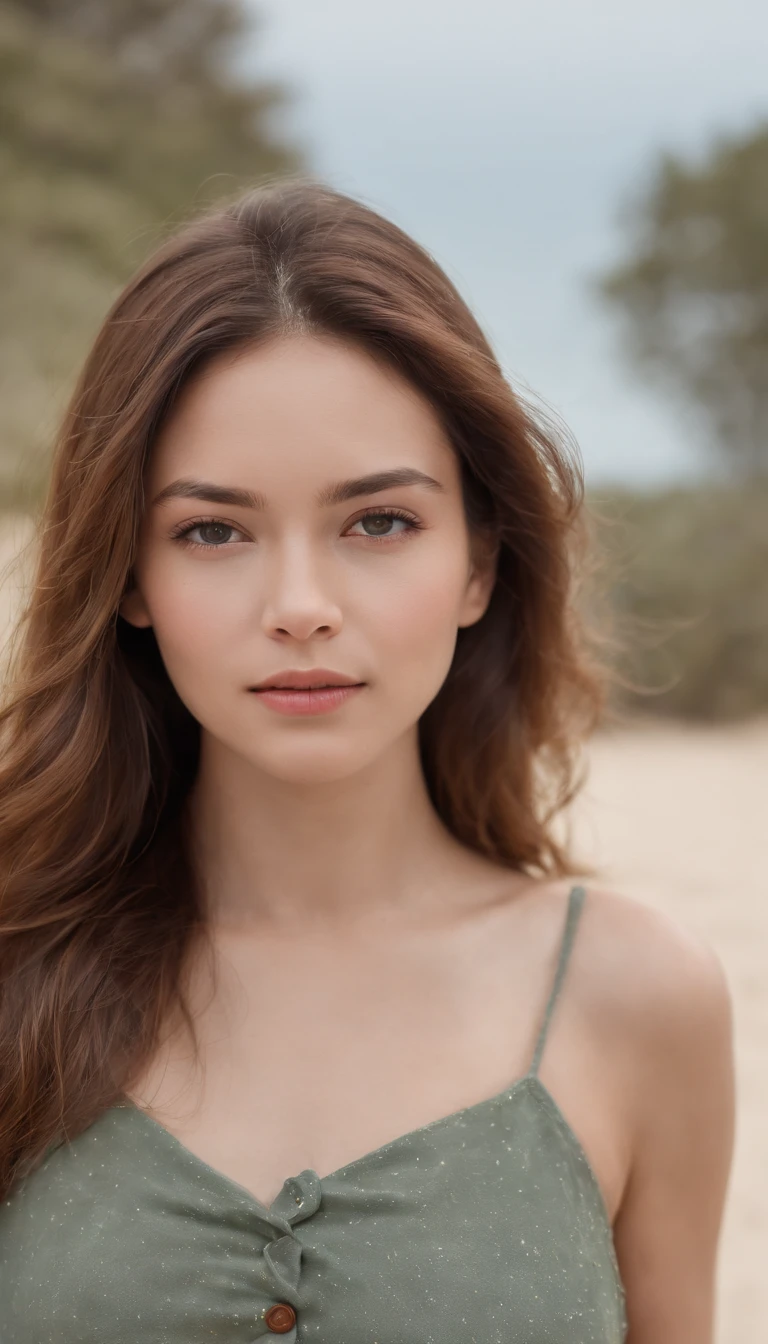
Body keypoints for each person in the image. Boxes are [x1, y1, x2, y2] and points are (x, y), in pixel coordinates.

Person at [0, 176, 734, 1343]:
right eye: (213, 531)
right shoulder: (17, 958)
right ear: (130, 576)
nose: (301, 606)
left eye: (378, 522)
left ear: (481, 566)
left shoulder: (637, 999)